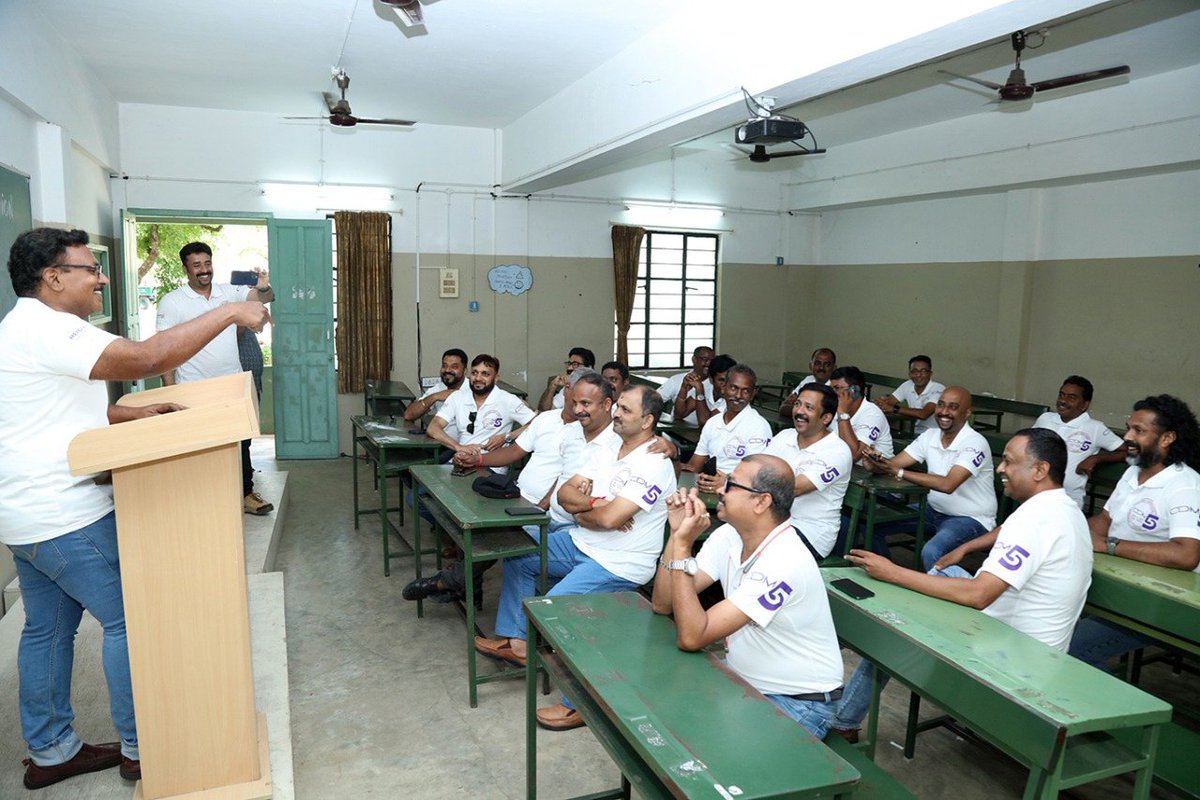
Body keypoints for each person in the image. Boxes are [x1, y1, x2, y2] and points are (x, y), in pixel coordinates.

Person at [0, 228, 269, 789]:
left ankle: (51, 750)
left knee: (46, 630)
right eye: (89, 268)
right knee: (134, 619)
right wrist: (230, 313)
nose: (101, 278)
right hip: (66, 515)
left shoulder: (21, 327)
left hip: (26, 515)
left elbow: (52, 410)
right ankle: (144, 746)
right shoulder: (49, 328)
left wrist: (131, 416)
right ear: (53, 278)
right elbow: (148, 357)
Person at [829, 428, 1092, 741]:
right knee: (941, 572)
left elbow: (980, 595)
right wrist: (965, 547)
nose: (1001, 469)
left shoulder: (1035, 520)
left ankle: (844, 721)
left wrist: (893, 572)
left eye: (1009, 462)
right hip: (1034, 645)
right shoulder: (1063, 508)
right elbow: (1007, 532)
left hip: (1011, 656)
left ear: (1040, 470)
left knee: (896, 623)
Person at [474, 385, 676, 731]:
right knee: (520, 554)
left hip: (619, 562)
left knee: (556, 609)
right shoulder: (610, 447)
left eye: (625, 410)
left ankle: (584, 702)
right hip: (582, 541)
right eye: (618, 407)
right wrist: (594, 507)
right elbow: (567, 495)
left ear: (647, 421)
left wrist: (590, 512)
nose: (616, 414)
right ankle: (517, 643)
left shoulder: (655, 462)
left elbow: (610, 520)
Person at [652, 455, 845, 739]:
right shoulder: (729, 536)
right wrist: (677, 534)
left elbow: (692, 637)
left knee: (696, 741)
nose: (720, 489)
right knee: (660, 708)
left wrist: (683, 548)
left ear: (761, 502)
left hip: (797, 700)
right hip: (746, 680)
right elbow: (663, 602)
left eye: (731, 484)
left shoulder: (785, 560)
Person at [401, 370, 613, 603]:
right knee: (466, 515)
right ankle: (465, 584)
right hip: (517, 495)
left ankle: (450, 582)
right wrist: (478, 459)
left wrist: (541, 506)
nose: (576, 404)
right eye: (572, 394)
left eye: (584, 401)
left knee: (500, 538)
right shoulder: (547, 420)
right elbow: (514, 452)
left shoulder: (589, 432)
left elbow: (565, 478)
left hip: (544, 511)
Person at [1069, 394, 1200, 668]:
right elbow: (1104, 521)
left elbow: (1187, 555)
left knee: (1070, 650)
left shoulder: (1185, 485)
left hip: (1160, 600)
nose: (1127, 436)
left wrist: (1109, 545)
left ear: (1167, 438)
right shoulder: (1133, 472)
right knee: (1050, 628)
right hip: (1121, 585)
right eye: (1129, 428)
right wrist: (1071, 530)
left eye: (1138, 431)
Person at [155, 241, 276, 516]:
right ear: (185, 268)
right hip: (193, 390)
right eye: (196, 265)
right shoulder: (172, 301)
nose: (204, 270)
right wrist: (169, 391)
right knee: (200, 447)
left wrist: (263, 286)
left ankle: (246, 494)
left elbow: (264, 298)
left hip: (232, 386)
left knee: (242, 442)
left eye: (207, 263)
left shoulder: (228, 292)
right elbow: (163, 348)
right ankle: (202, 499)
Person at [863, 386, 996, 569]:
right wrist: (875, 464)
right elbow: (893, 464)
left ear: (967, 413)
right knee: (871, 525)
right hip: (933, 510)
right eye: (940, 405)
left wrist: (899, 472)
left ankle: (939, 586)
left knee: (932, 551)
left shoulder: (975, 442)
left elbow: (948, 484)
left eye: (953, 407)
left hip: (970, 518)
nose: (944, 412)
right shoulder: (930, 436)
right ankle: (889, 575)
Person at [763, 384, 852, 559]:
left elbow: (792, 489)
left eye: (809, 407)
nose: (799, 411)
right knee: (727, 536)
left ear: (826, 418)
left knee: (754, 548)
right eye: (797, 404)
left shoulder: (837, 451)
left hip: (810, 532)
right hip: (774, 521)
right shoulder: (785, 436)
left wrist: (744, 485)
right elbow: (757, 469)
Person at [425, 353, 536, 466]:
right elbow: (433, 427)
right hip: (460, 461)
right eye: (474, 373)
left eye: (485, 374)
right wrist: (458, 447)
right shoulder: (457, 397)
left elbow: (538, 423)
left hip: (490, 466)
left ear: (496, 378)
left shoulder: (507, 400)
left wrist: (507, 436)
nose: (478, 378)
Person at [1032, 376, 1124, 507]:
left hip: (1067, 500)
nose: (1063, 401)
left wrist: (1095, 458)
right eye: (1061, 395)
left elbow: (1126, 451)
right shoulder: (1045, 419)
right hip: (1035, 493)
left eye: (1072, 397)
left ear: (1085, 404)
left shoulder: (1095, 428)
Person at [682, 364, 773, 492]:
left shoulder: (758, 426)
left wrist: (727, 482)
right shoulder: (712, 423)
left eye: (745, 391)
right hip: (710, 487)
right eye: (733, 388)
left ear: (753, 394)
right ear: (724, 388)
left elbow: (757, 474)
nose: (738, 395)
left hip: (741, 492)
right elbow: (694, 466)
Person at [829, 366, 894, 464]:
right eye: (831, 389)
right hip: (843, 466)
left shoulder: (873, 414)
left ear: (854, 391)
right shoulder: (833, 407)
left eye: (837, 388)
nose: (832, 393)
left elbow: (853, 456)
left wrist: (842, 414)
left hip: (876, 470)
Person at [874, 355, 944, 436]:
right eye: (914, 371)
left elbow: (924, 414)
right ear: (910, 374)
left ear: (930, 374)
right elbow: (889, 401)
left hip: (935, 435)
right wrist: (881, 402)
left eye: (923, 371)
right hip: (914, 432)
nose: (918, 375)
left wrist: (894, 409)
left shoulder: (938, 389)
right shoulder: (908, 385)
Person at [403, 348, 468, 427]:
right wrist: (435, 397)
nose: (447, 370)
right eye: (444, 366)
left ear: (465, 370)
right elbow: (408, 415)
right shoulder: (439, 388)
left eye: (454, 367)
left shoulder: (473, 390)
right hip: (439, 434)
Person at [656, 346, 714, 425]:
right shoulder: (676, 379)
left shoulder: (714, 384)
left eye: (712, 360)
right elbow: (655, 399)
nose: (709, 363)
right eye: (705, 359)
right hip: (676, 428)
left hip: (701, 429)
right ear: (694, 359)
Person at [779, 347, 836, 417]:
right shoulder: (808, 380)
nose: (821, 368)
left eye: (827, 365)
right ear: (811, 366)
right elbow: (783, 408)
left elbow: (821, 417)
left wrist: (798, 408)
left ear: (834, 368)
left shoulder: (837, 388)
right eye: (817, 363)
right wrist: (810, 411)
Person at [537, 346, 594, 411]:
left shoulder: (596, 389)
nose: (569, 368)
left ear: (589, 367)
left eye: (575, 364)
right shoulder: (568, 387)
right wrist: (553, 385)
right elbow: (544, 410)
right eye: (569, 364)